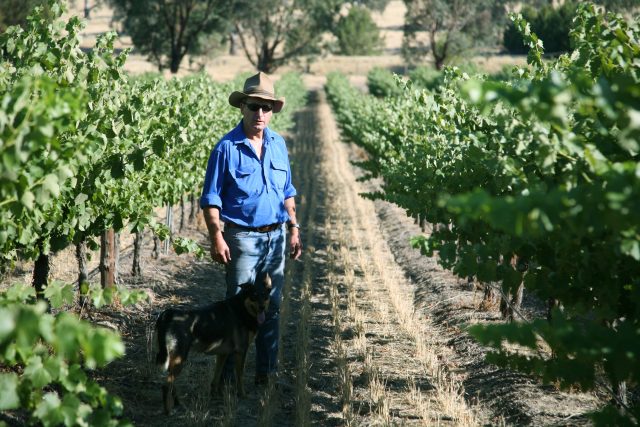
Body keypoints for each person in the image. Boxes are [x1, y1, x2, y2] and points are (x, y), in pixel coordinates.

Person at [200, 71, 302, 385]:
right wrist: (216, 236)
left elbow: (287, 190)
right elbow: (210, 197)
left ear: (272, 111)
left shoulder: (279, 145)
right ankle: (229, 380)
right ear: (242, 107)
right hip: (241, 238)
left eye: (266, 107)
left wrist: (294, 228)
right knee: (237, 312)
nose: (260, 113)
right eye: (254, 106)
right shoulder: (226, 148)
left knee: (270, 309)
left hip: (275, 239)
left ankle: (265, 375)